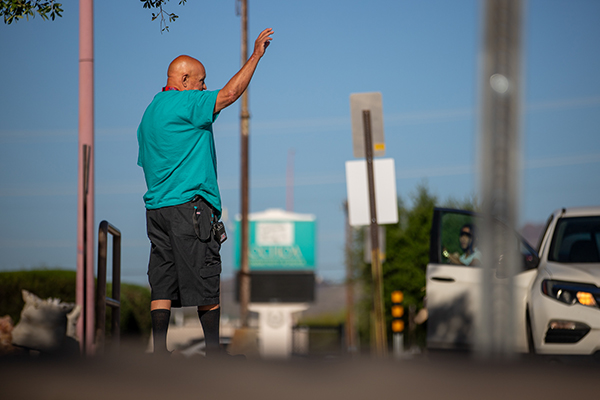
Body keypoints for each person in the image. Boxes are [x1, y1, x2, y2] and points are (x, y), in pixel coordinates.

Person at [137, 28, 274, 357]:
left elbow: (146, 162)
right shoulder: (185, 102)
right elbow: (228, 95)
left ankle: (159, 352)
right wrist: (256, 56)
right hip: (190, 208)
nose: (204, 87)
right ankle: (214, 353)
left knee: (162, 278)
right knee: (206, 273)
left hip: (157, 210)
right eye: (200, 80)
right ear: (183, 79)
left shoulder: (150, 113)